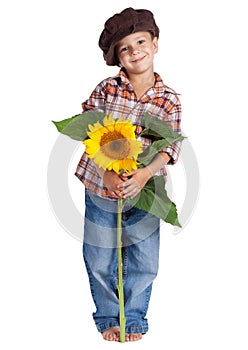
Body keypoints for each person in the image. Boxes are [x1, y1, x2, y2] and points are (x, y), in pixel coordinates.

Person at [75, 7, 182, 342]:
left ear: (155, 42)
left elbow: (169, 147)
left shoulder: (169, 100)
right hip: (101, 185)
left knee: (144, 257)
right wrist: (107, 172)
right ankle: (109, 315)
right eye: (125, 47)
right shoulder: (109, 89)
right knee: (100, 255)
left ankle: (133, 318)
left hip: (145, 188)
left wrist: (144, 175)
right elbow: (87, 128)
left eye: (140, 41)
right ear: (116, 57)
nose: (135, 50)